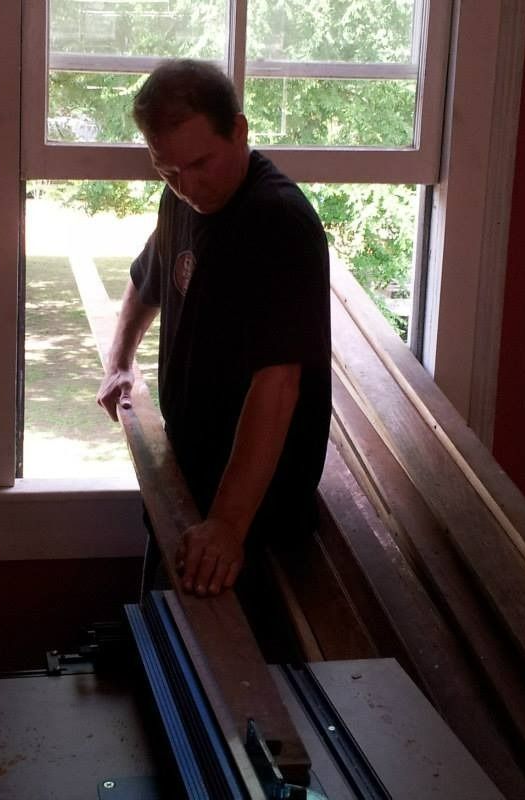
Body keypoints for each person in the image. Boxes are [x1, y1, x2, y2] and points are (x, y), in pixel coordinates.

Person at [97, 59, 331, 601]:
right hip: (189, 476)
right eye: (168, 171)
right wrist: (120, 362)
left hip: (256, 511)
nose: (188, 185)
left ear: (239, 131)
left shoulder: (277, 223)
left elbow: (278, 384)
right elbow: (148, 279)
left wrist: (227, 525)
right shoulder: (181, 196)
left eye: (201, 163)